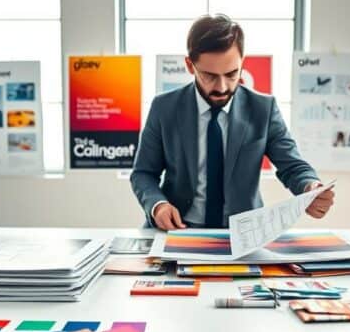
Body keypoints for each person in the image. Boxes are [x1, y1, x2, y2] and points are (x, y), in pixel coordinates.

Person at [130, 14, 335, 230]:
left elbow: (292, 166)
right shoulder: (165, 108)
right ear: (190, 65)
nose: (222, 87)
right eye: (209, 75)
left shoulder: (263, 109)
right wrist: (158, 206)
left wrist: (310, 187)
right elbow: (143, 173)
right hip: (177, 229)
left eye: (231, 74)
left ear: (242, 63)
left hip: (244, 233)